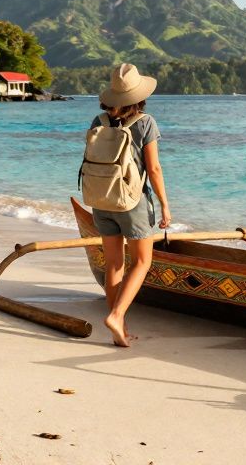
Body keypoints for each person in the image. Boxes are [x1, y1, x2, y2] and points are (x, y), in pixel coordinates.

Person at [90, 63, 171, 347]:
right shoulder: (145, 122)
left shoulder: (98, 121)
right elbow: (155, 169)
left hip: (102, 199)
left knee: (113, 264)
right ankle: (117, 315)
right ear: (139, 96)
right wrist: (165, 205)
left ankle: (120, 328)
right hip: (133, 202)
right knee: (141, 261)